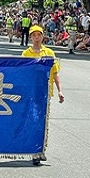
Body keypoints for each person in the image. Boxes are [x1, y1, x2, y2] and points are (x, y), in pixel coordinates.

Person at [21, 25, 64, 166]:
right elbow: (21, 74)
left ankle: (40, 150)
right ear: (31, 37)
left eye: (39, 35)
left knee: (42, 122)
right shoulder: (26, 54)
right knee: (33, 120)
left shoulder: (49, 53)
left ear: (42, 36)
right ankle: (34, 151)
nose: (37, 37)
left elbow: (55, 73)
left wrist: (60, 91)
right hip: (31, 93)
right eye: (34, 35)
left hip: (45, 92)